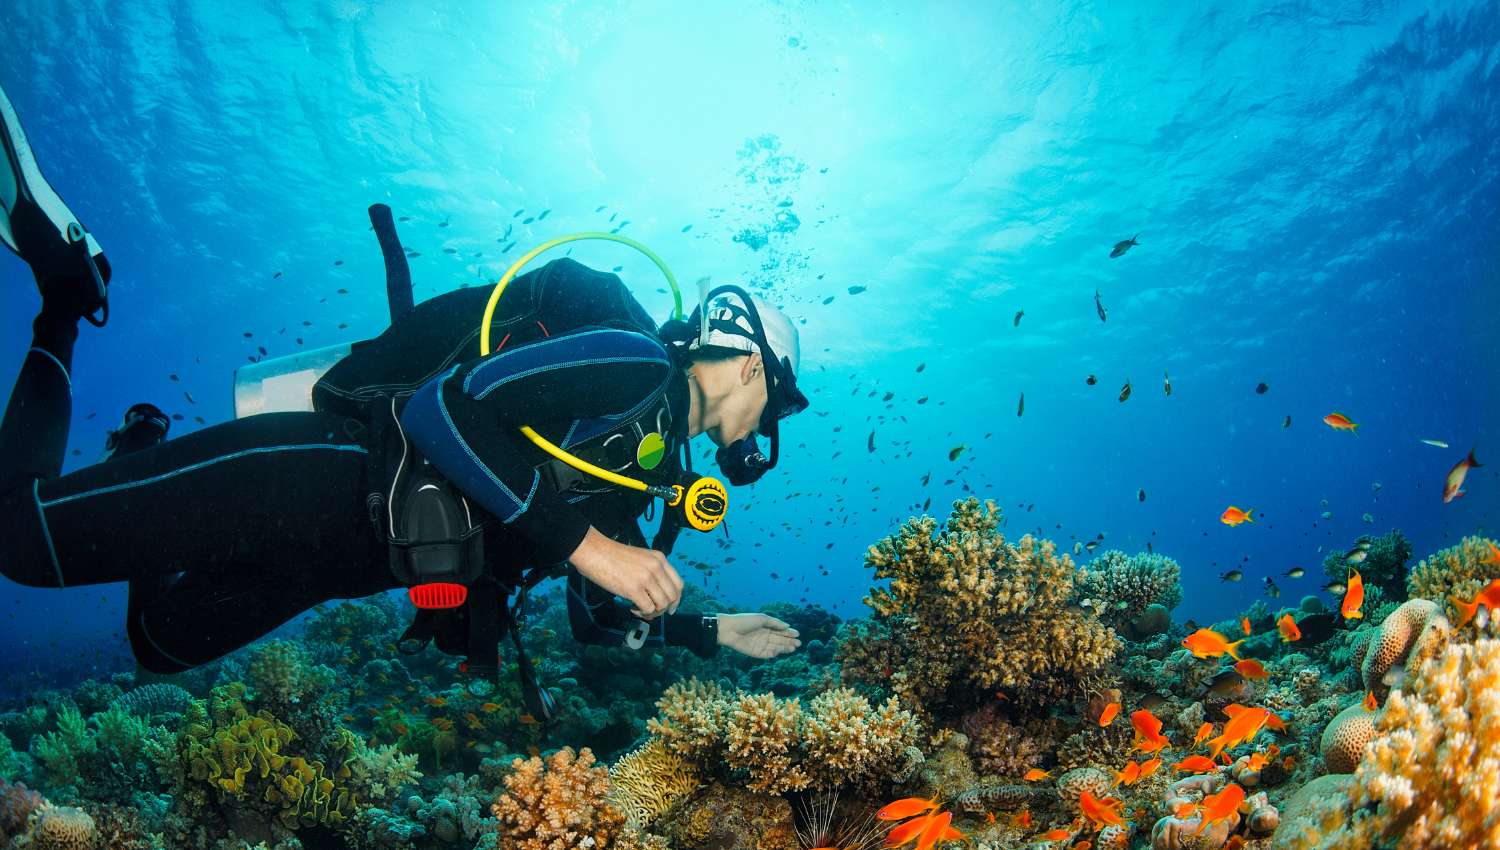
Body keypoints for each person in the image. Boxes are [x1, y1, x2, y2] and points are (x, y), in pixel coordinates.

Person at [0, 81, 806, 711]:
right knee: (16, 539)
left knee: (157, 645)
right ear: (748, 367)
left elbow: (595, 621)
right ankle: (68, 299)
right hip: (324, 478)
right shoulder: (634, 365)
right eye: (777, 400)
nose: (767, 426)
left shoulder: (650, 473)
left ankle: (137, 447)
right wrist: (594, 549)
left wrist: (709, 629)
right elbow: (444, 408)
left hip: (337, 566)